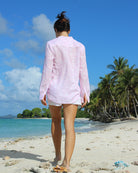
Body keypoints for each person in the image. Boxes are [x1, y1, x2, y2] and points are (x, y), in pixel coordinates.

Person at [39, 11, 90, 172]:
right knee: (70, 126)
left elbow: (47, 69)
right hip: (72, 90)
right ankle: (67, 163)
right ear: (69, 30)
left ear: (55, 30)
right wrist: (85, 92)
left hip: (55, 89)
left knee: (55, 121)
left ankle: (57, 156)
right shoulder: (80, 46)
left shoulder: (51, 44)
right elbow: (84, 72)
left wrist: (42, 92)